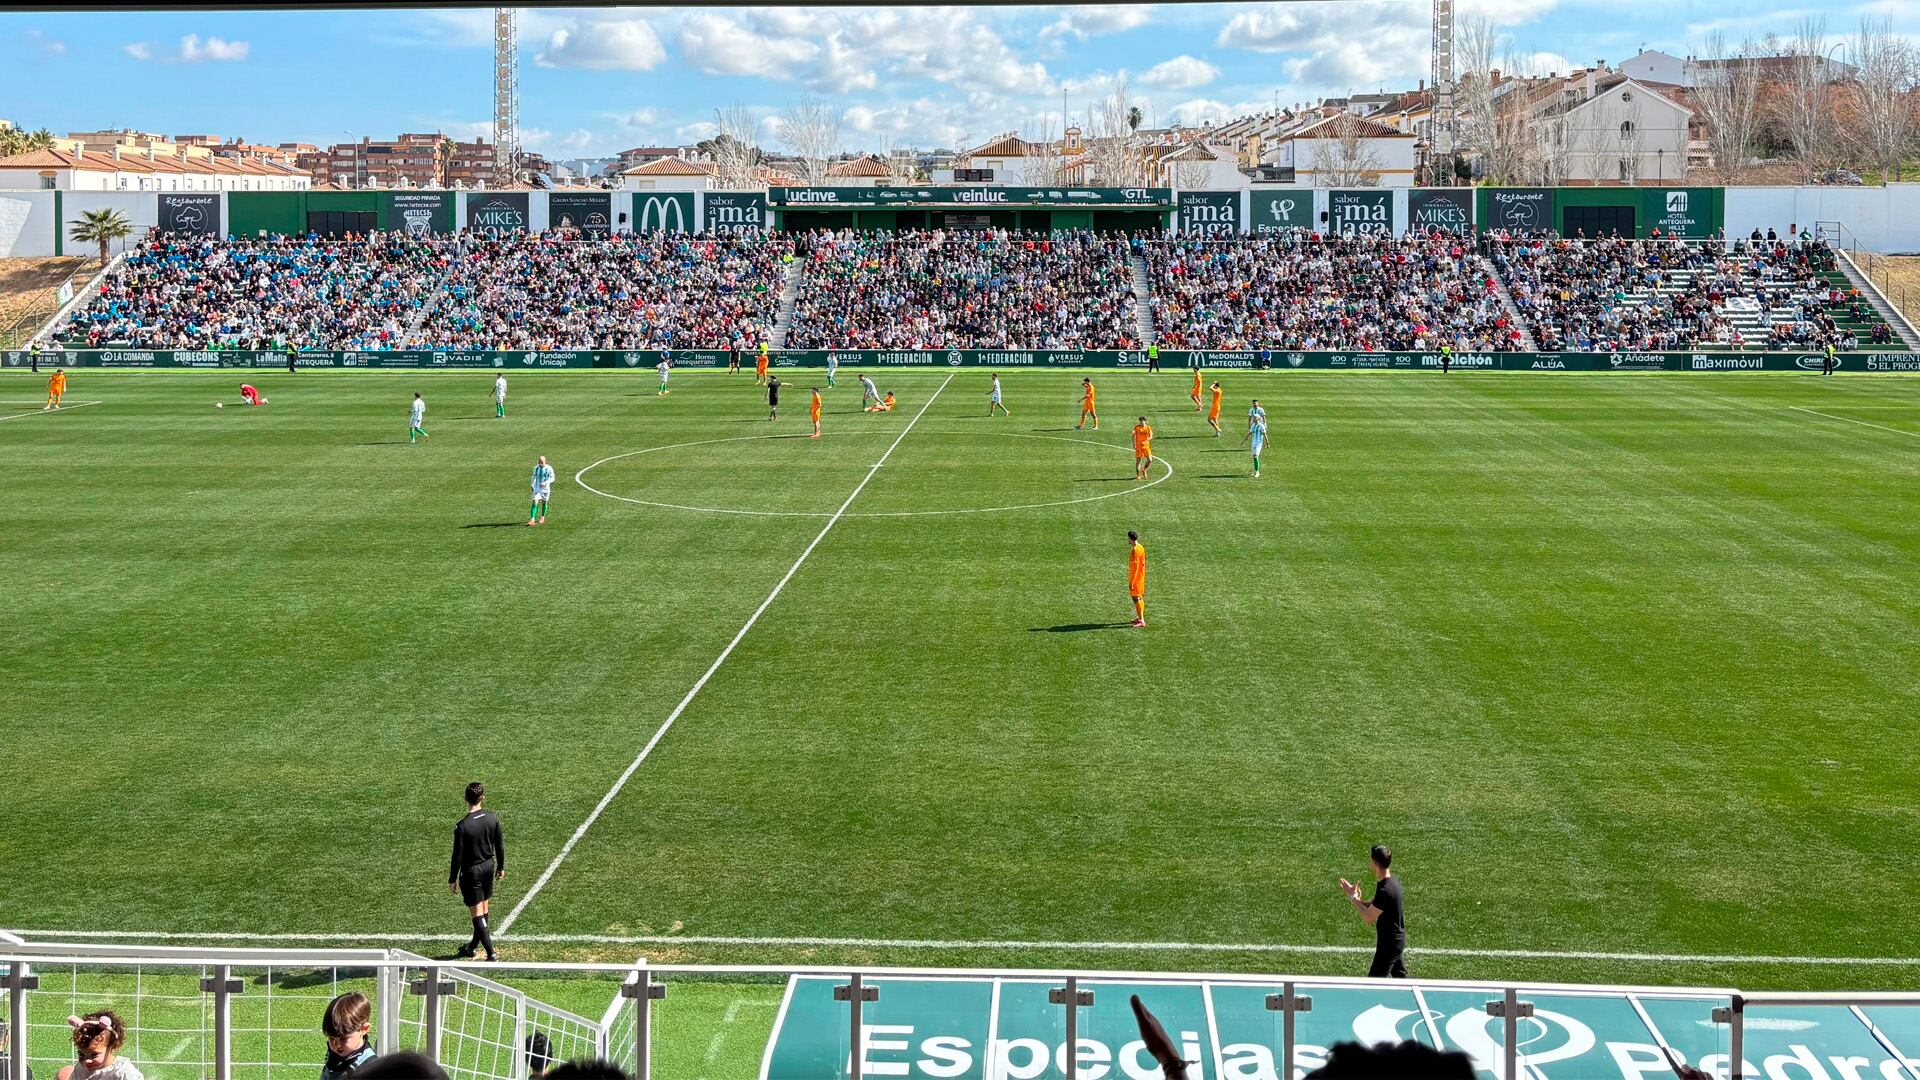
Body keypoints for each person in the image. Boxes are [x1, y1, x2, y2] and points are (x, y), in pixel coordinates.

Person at [448, 781, 505, 962]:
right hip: (488, 866)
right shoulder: (492, 818)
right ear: (483, 798)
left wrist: (452, 878)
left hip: (471, 872)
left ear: (465, 799)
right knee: (484, 907)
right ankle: (472, 946)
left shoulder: (462, 826)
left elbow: (457, 856)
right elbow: (499, 845)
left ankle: (491, 953)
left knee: (477, 913)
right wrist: (501, 866)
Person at [1341, 844, 1407, 978]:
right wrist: (1357, 899)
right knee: (1402, 980)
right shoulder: (1390, 881)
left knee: (1374, 982)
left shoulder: (1386, 890)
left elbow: (1368, 917)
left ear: (1375, 864)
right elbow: (1373, 905)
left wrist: (1353, 898)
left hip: (1389, 944)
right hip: (1395, 940)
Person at [61, 1012, 141, 1080]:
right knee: (64, 1073)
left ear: (112, 1045)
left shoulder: (124, 1072)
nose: (86, 1060)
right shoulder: (81, 1069)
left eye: (94, 1055)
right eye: (81, 1055)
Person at [321, 992, 377, 1079]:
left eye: (343, 1039)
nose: (336, 1045)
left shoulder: (370, 1070)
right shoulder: (338, 1052)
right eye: (331, 1038)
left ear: (364, 1029)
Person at [1126, 530, 1146, 628]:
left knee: (1136, 598)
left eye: (1128, 538)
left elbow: (1135, 567)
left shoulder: (1134, 550)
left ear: (1130, 539)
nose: (1127, 540)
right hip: (1141, 577)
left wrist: (1132, 582)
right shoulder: (1140, 547)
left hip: (1136, 579)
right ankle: (1140, 617)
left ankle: (1141, 620)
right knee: (1139, 597)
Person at [529, 455, 554, 526]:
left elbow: (552, 478)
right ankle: (532, 520)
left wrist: (545, 482)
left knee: (544, 503)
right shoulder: (536, 468)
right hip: (537, 488)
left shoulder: (549, 468)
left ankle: (542, 517)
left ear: (545, 461)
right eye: (539, 462)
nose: (540, 463)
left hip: (545, 489)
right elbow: (534, 476)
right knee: (534, 502)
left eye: (542, 462)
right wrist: (532, 485)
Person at [1247, 398, 1267, 479]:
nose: (1255, 404)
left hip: (1260, 424)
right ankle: (1255, 470)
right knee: (1253, 456)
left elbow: (1264, 417)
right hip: (1254, 425)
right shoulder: (1251, 410)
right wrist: (1249, 425)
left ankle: (1257, 472)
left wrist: (1265, 424)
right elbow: (1249, 418)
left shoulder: (1261, 409)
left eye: (1256, 403)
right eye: (1254, 403)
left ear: (1258, 403)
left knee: (1255, 455)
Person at [1132, 415, 1153, 481]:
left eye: (1142, 421)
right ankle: (1138, 475)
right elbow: (1133, 435)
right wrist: (1134, 444)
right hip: (1139, 447)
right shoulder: (1137, 427)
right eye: (1140, 421)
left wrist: (1145, 441)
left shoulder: (1148, 427)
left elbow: (1151, 436)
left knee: (1150, 460)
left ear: (1145, 421)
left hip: (1146, 446)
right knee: (1138, 461)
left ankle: (1144, 470)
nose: (1141, 423)